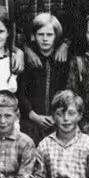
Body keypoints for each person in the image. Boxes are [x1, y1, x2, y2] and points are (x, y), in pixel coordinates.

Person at [18, 13, 69, 142]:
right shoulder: (28, 59)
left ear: (56, 36)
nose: (45, 39)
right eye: (40, 34)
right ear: (34, 36)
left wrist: (56, 115)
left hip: (57, 119)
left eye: (49, 35)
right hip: (31, 120)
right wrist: (32, 115)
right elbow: (21, 92)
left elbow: (67, 90)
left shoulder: (63, 60)